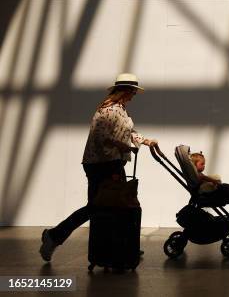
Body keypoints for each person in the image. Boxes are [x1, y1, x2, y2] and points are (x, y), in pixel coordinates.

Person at [39, 73, 158, 262]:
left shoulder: (120, 109)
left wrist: (145, 141)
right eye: (133, 92)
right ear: (125, 91)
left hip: (112, 163)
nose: (134, 95)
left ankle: (123, 248)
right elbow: (100, 137)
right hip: (102, 165)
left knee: (114, 206)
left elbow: (127, 131)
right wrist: (120, 146)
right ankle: (54, 236)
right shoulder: (108, 110)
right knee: (98, 207)